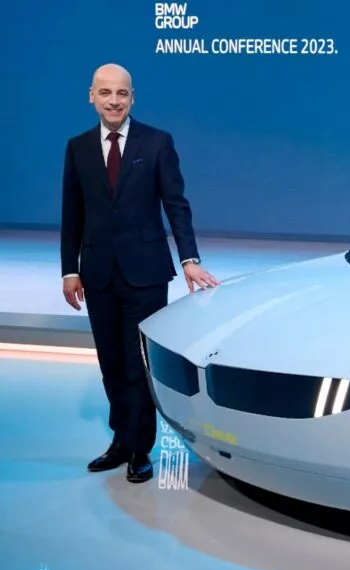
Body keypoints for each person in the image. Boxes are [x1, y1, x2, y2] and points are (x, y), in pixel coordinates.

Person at [60, 63, 219, 483]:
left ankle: (140, 449)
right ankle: (120, 440)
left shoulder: (157, 142)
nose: (114, 101)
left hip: (145, 273)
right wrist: (69, 270)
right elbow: (72, 214)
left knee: (137, 365)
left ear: (132, 97)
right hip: (97, 274)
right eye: (105, 92)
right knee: (111, 363)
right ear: (91, 96)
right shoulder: (77, 148)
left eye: (122, 93)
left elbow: (176, 205)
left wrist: (189, 259)